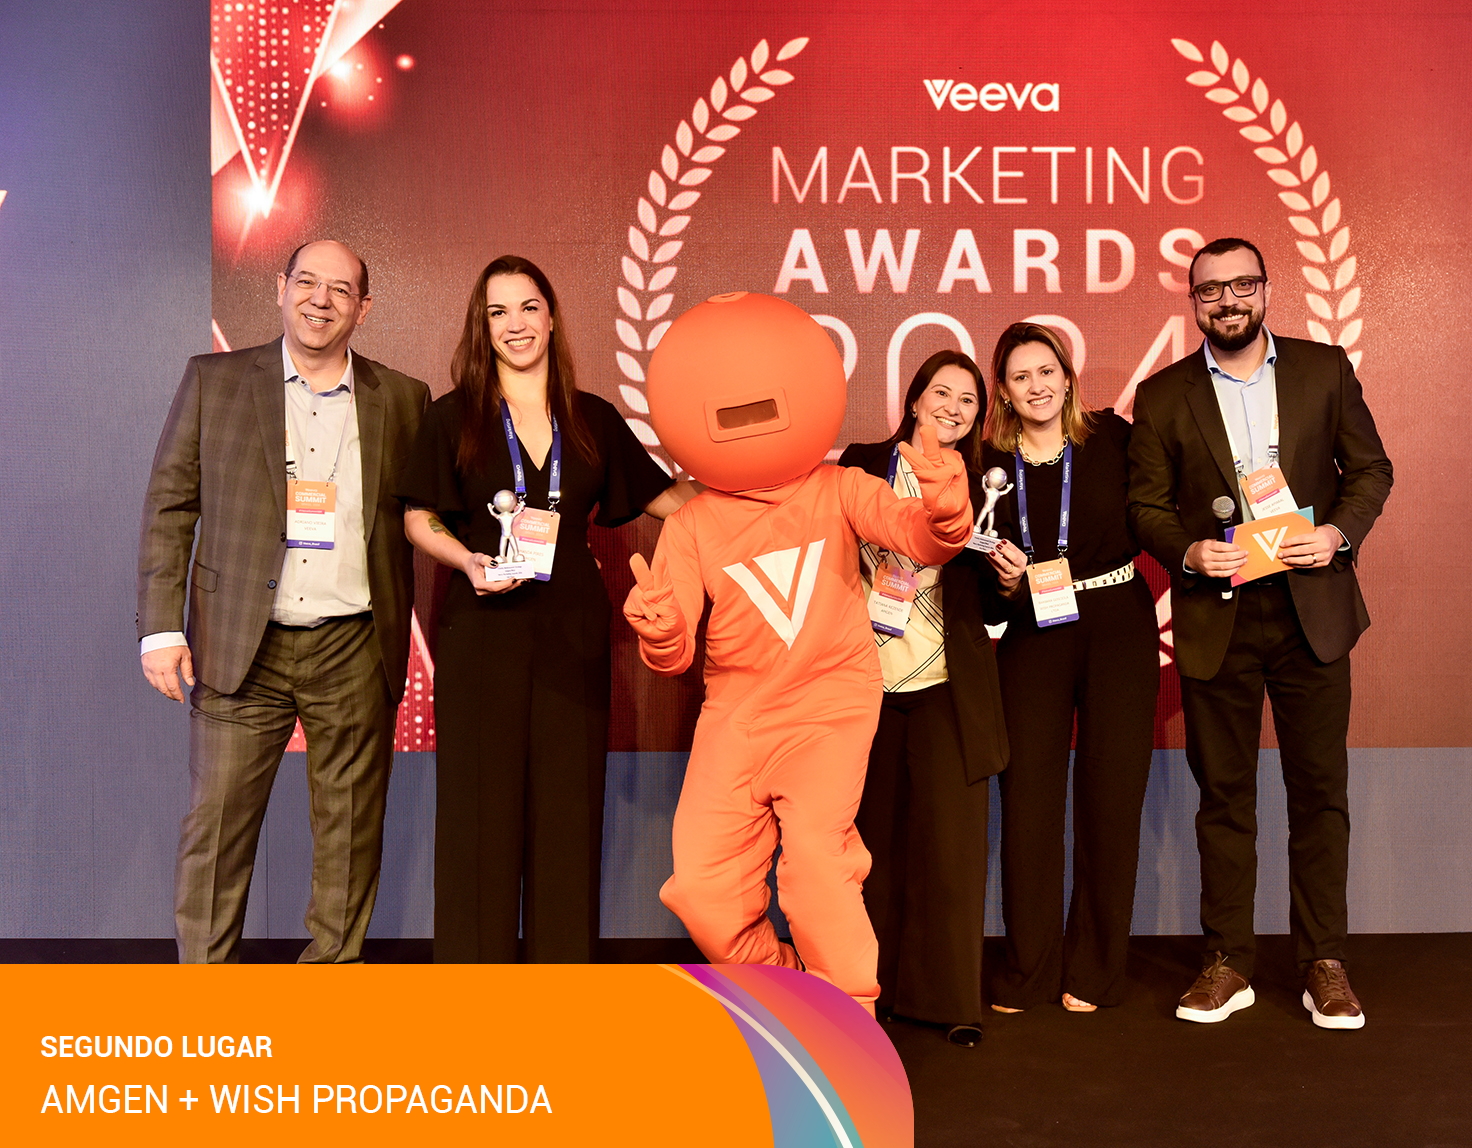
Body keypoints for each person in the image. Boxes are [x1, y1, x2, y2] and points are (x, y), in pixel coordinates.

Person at [623, 292, 971, 1013]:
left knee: (816, 863)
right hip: (735, 717)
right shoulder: (691, 525)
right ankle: (785, 992)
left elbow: (919, 538)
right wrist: (659, 632)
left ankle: (848, 1018)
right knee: (703, 888)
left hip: (828, 709)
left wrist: (945, 511)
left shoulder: (840, 488)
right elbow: (674, 652)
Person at [137, 239, 428, 963]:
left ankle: (328, 986)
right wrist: (160, 629)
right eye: (306, 282)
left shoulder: (404, 398)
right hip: (242, 643)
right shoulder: (214, 381)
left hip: (354, 645)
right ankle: (207, 997)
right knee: (217, 827)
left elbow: (427, 512)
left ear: (364, 308)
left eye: (340, 289)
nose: (320, 300)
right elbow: (170, 506)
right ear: (280, 287)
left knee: (351, 832)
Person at [1127, 237, 1392, 1029]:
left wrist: (1337, 534)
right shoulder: (1162, 395)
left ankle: (1324, 961)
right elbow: (1145, 505)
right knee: (1224, 795)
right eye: (1211, 290)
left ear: (1267, 290)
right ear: (1194, 303)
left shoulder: (1325, 369)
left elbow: (1371, 470)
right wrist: (1187, 550)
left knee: (1320, 792)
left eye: (1242, 284)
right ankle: (1228, 961)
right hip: (1219, 614)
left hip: (1313, 610)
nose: (1228, 300)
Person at [396, 256, 692, 963]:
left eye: (528, 307)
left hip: (572, 636)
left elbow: (669, 503)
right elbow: (417, 515)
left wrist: (757, 492)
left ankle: (562, 985)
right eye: (497, 312)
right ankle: (475, 986)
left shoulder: (593, 418)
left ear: (551, 317)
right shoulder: (453, 415)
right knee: (478, 813)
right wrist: (466, 559)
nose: (515, 324)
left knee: (568, 813)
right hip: (481, 633)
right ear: (482, 327)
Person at [978, 323, 1160, 1015]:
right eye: (1021, 376)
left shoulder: (1113, 438)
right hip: (1032, 630)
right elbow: (975, 582)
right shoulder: (989, 466)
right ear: (1004, 391)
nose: (1037, 386)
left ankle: (1095, 970)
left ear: (1068, 375)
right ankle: (1028, 968)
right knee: (1028, 802)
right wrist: (1000, 582)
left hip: (1117, 625)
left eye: (1046, 371)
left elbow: (1161, 509)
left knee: (1111, 799)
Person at [837, 350, 1010, 1046]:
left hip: (947, 684)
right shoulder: (862, 463)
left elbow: (996, 593)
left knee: (951, 850)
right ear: (914, 400)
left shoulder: (990, 480)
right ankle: (864, 992)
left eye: (969, 400)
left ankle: (949, 1001)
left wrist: (1008, 577)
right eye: (942, 392)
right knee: (868, 847)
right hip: (863, 681)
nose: (953, 408)